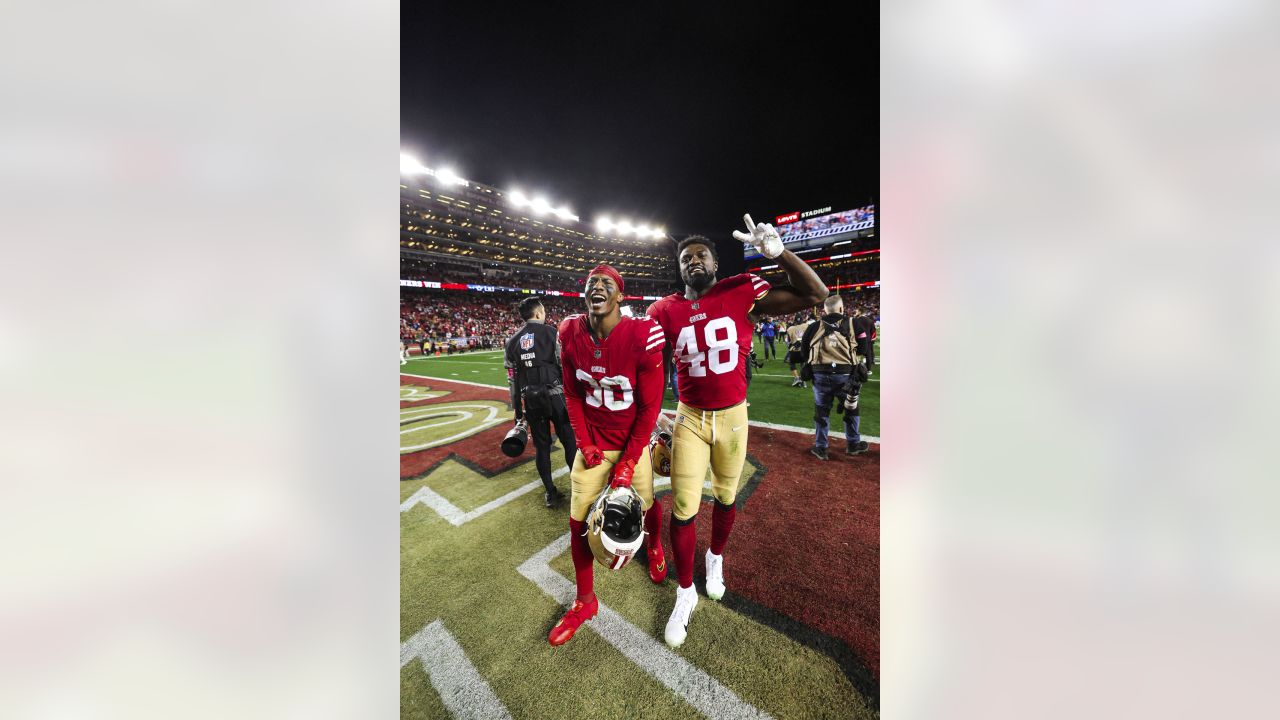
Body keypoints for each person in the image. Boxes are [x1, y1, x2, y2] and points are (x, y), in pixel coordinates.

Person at [647, 215, 827, 648]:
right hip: (689, 417)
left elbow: (816, 294)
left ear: (715, 263)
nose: (693, 260)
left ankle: (715, 559)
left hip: (733, 416)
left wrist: (779, 253)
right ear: (679, 267)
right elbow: (644, 367)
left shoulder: (742, 290)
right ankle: (685, 591)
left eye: (701, 255)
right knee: (685, 505)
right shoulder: (663, 310)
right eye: (685, 256)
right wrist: (653, 413)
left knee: (726, 496)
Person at [549, 265, 667, 646]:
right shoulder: (568, 332)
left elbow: (649, 408)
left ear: (620, 297)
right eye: (590, 283)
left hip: (632, 441)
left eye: (607, 284)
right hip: (594, 445)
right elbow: (571, 394)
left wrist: (630, 461)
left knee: (647, 504)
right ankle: (585, 601)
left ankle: (654, 545)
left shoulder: (641, 334)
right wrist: (584, 443)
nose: (596, 287)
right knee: (578, 522)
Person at [504, 297, 575, 508]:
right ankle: (579, 489)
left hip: (531, 400)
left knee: (542, 448)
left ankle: (550, 493)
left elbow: (512, 380)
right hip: (556, 396)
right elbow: (565, 366)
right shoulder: (553, 333)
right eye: (543, 311)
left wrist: (518, 410)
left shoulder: (512, 341)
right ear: (537, 313)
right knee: (569, 441)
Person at [799, 295, 868, 460]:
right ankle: (853, 444)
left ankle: (821, 447)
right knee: (851, 408)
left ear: (824, 310)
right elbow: (863, 349)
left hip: (820, 373)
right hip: (846, 375)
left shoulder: (814, 326)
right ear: (842, 309)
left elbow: (803, 351)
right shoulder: (854, 324)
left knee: (821, 411)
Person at [785, 313, 815, 388]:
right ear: (802, 320)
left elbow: (788, 340)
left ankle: (797, 378)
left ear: (795, 320)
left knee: (792, 363)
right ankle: (803, 381)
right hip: (804, 349)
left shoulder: (790, 328)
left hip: (794, 350)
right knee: (803, 364)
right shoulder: (807, 326)